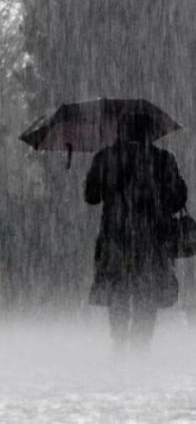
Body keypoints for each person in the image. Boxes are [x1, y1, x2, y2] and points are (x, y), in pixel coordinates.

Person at [84, 115, 187, 352]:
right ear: (149, 132)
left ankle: (119, 343)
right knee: (146, 296)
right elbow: (176, 201)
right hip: (152, 239)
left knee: (118, 293)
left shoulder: (105, 158)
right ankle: (141, 347)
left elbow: (91, 197)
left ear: (119, 131)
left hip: (115, 238)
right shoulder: (163, 160)